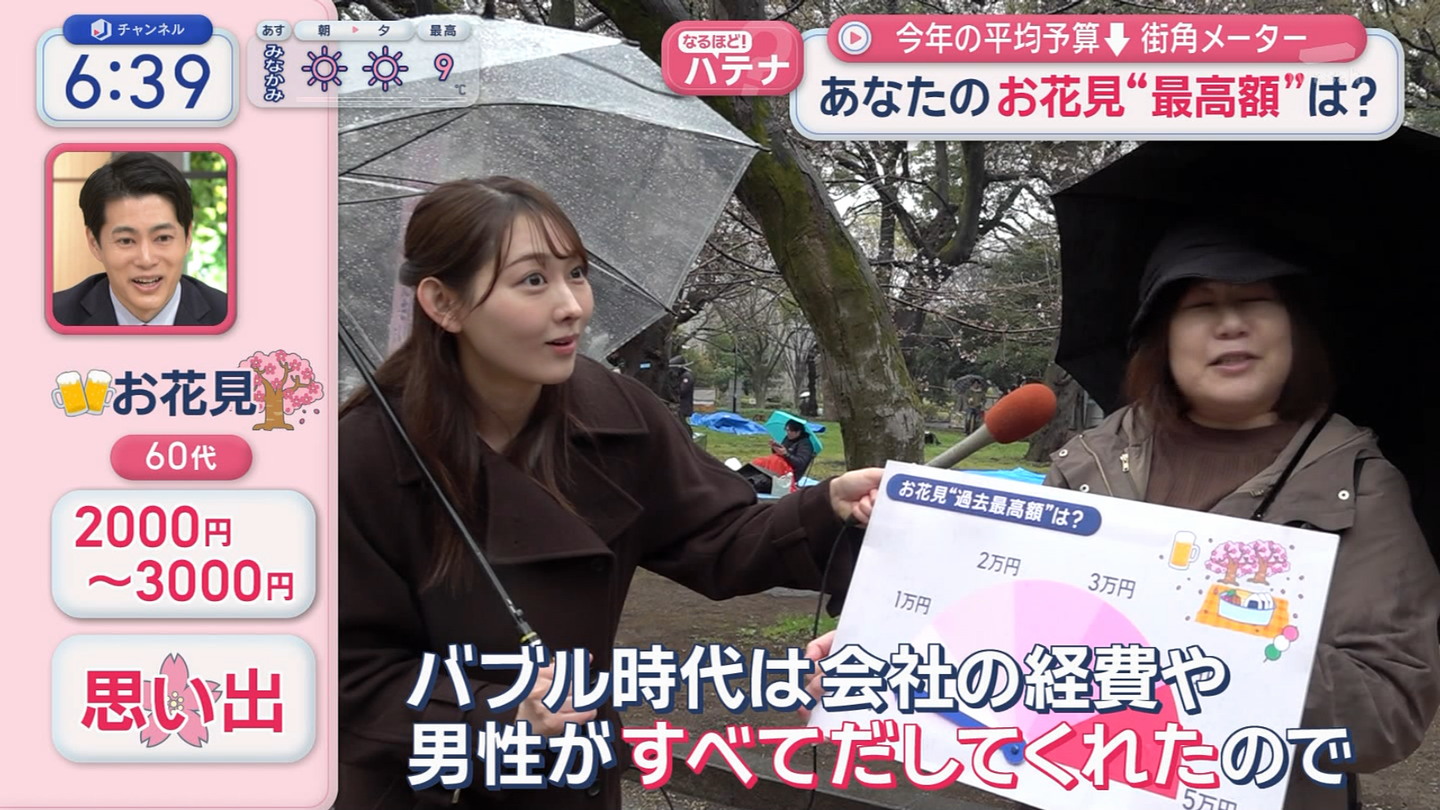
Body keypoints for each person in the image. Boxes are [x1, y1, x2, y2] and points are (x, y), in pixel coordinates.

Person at [801, 222, 1440, 810]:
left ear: (1297, 327)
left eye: (1256, 301)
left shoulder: (1356, 482)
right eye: (1200, 306)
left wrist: (1206, 659)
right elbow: (1020, 626)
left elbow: (1388, 710)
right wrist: (887, 647)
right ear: (1161, 336)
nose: (1230, 325)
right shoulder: (1089, 462)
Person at [336, 177, 883, 810]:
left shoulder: (618, 415)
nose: (572, 305)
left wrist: (826, 506)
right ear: (443, 302)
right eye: (533, 280)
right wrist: (494, 710)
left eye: (576, 273)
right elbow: (344, 669)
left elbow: (716, 536)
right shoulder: (364, 457)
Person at [52, 152, 227, 327]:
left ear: (188, 237)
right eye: (126, 241)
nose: (146, 260)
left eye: (163, 238)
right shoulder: (52, 318)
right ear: (94, 243)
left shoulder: (230, 316)